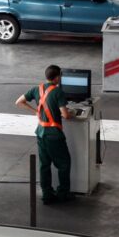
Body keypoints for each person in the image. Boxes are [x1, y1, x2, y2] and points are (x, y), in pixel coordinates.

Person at [16, 65, 74, 205]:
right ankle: (63, 193)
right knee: (64, 164)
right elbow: (66, 115)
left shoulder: (37, 89)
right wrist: (71, 113)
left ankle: (47, 195)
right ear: (57, 77)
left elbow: (19, 102)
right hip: (54, 135)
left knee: (44, 165)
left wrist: (36, 111)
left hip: (41, 132)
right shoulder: (58, 92)